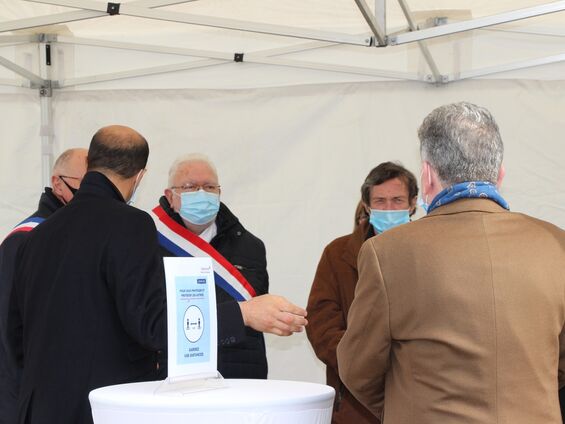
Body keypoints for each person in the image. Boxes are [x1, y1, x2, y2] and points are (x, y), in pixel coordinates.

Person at [337, 102, 565, 423]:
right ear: (499, 174)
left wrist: (410, 406)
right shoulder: (557, 244)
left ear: (427, 175)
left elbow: (358, 367)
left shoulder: (386, 253)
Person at [7, 126, 167, 424]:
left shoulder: (36, 236)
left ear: (90, 162)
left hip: (39, 406)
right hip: (100, 407)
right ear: (140, 175)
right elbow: (149, 325)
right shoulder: (132, 225)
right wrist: (238, 315)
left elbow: (16, 334)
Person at [151, 153, 305, 379]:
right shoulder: (147, 243)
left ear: (219, 193)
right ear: (170, 196)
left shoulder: (251, 246)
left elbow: (256, 316)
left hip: (240, 375)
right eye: (190, 187)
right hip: (173, 375)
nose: (201, 193)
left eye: (209, 187)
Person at [306, 162, 417, 424]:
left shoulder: (431, 252)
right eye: (380, 201)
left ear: (413, 203)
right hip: (355, 402)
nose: (389, 209)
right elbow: (321, 323)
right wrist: (362, 366)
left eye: (397, 200)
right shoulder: (337, 254)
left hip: (415, 395)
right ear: (367, 205)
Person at [0, 148, 87, 424]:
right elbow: (8, 334)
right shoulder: (26, 240)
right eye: (84, 185)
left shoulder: (81, 234)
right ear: (58, 183)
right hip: (32, 397)